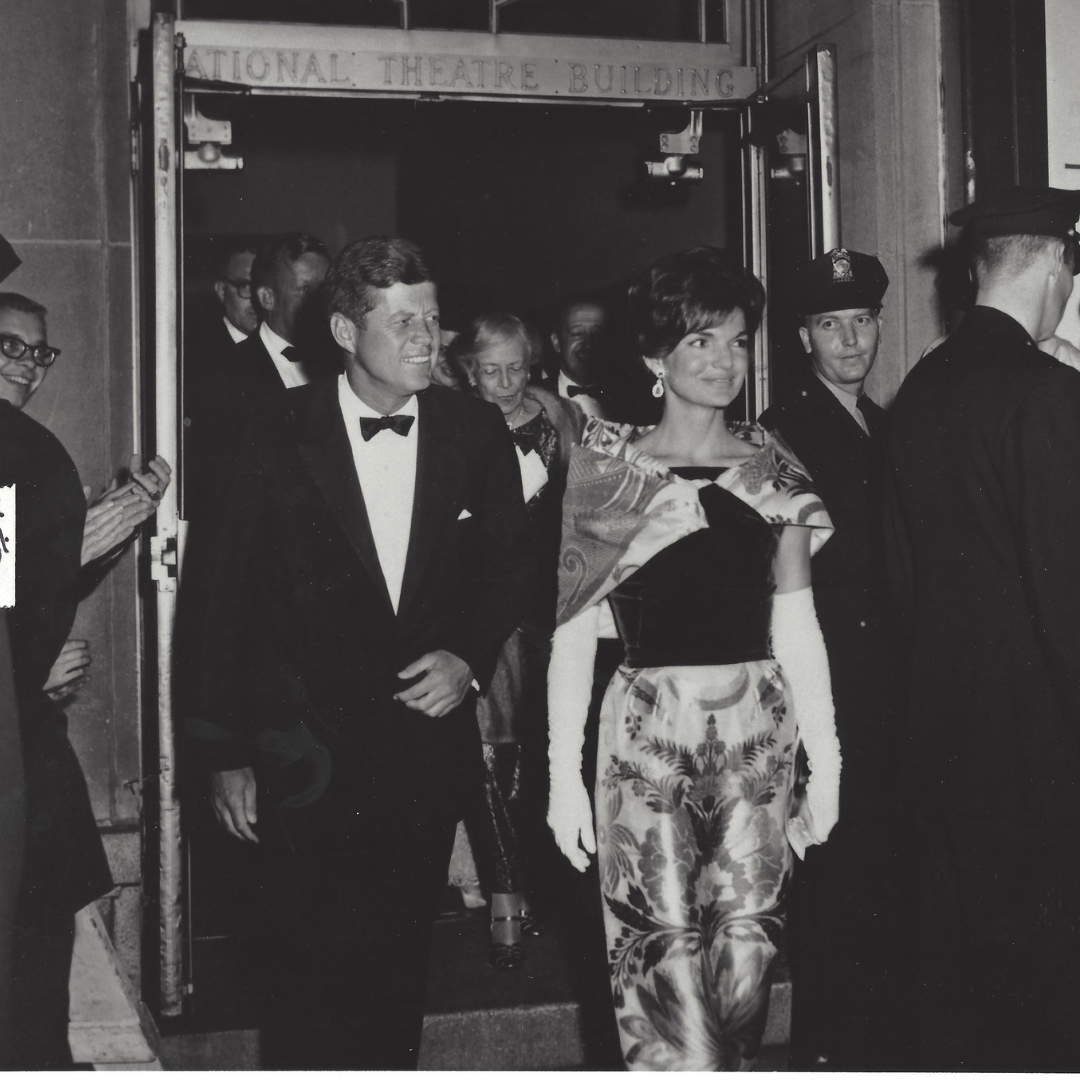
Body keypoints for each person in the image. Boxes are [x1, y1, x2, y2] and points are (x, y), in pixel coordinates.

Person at [182, 236, 534, 1068]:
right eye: (403, 320)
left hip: (419, 746)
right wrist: (221, 752)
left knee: (396, 971)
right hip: (296, 754)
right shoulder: (267, 428)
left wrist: (466, 657)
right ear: (344, 330)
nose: (428, 339)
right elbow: (214, 603)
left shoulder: (473, 429)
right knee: (302, 979)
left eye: (434, 319)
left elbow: (512, 567)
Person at [546, 247, 840, 1070]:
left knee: (744, 980)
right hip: (644, 743)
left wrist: (831, 764)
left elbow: (798, 626)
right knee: (659, 981)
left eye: (738, 341)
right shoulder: (609, 471)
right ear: (654, 359)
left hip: (759, 742)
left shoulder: (774, 469)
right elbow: (573, 634)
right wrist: (560, 778)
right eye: (701, 342)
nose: (724, 361)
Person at [885, 186, 1080, 1071]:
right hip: (1039, 749)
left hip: (940, 733)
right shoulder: (1045, 393)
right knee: (1047, 997)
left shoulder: (916, 392)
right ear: (1054, 264)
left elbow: (901, 581)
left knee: (963, 990)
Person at [0, 290, 168, 1067]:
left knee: (40, 951)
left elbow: (20, 594)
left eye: (38, 352)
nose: (26, 367)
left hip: (27, 755)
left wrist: (109, 527)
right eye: (9, 345)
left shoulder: (21, 449)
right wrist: (26, 672)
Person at [758, 249, 907, 1069]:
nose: (850, 340)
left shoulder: (888, 424)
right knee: (836, 887)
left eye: (861, 321)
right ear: (804, 337)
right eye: (829, 325)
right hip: (827, 692)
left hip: (888, 691)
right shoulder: (783, 432)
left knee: (882, 882)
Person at [448, 313, 581, 967]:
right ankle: (504, 900)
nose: (504, 384)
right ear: (468, 371)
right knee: (488, 756)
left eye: (516, 369)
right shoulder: (453, 423)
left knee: (547, 747)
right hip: (482, 607)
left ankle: (546, 886)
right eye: (490, 371)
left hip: (550, 604)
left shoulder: (557, 417)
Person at [184, 237, 259, 518]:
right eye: (245, 287)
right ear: (220, 290)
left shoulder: (290, 354)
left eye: (264, 287)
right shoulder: (194, 357)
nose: (258, 299)